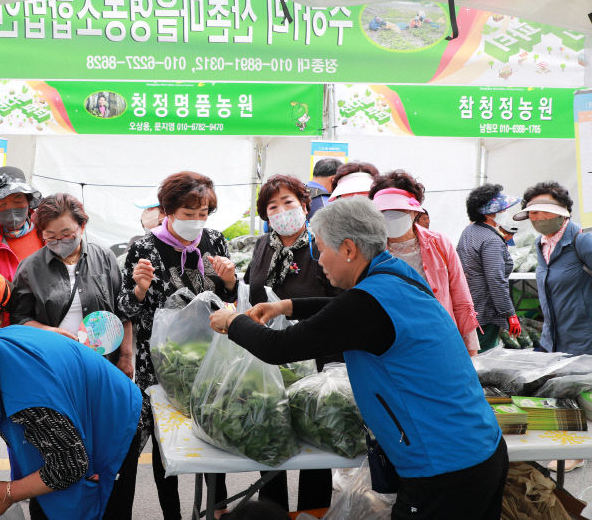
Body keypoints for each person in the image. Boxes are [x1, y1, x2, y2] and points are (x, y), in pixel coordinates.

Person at [209, 197, 508, 520]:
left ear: (349, 249)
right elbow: (343, 309)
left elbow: (279, 348)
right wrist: (286, 306)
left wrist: (233, 321)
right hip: (478, 449)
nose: (319, 260)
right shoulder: (397, 276)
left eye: (320, 249)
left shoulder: (369, 302)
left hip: (443, 467)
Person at [0, 319, 141, 520]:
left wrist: (9, 492)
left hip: (114, 421)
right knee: (48, 503)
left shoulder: (30, 398)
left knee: (103, 506)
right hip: (74, 410)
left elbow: (70, 465)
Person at [8, 192, 139, 516]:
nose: (59, 242)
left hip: (100, 369)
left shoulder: (104, 257)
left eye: (66, 235)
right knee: (60, 452)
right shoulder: (30, 267)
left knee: (104, 450)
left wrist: (126, 356)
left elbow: (122, 309)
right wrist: (49, 331)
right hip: (53, 375)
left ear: (83, 226)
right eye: (50, 237)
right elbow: (18, 319)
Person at [118, 171, 237, 519]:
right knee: (164, 440)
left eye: (203, 213)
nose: (197, 221)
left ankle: (219, 509)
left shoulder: (214, 240)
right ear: (168, 209)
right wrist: (139, 289)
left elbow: (227, 300)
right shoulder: (144, 246)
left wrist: (230, 281)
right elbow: (126, 308)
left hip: (209, 355)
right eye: (189, 213)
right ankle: (172, 512)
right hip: (159, 361)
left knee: (213, 430)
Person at [243, 174, 338, 511]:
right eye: (273, 206)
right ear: (265, 214)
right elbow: (249, 291)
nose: (282, 210)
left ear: (303, 206)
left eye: (289, 203)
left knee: (315, 440)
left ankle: (314, 512)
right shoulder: (262, 246)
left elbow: (337, 302)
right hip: (269, 359)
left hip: (316, 359)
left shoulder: (322, 244)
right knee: (269, 434)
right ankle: (274, 512)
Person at [369, 172, 480, 355]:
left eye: (399, 211)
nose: (391, 217)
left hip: (439, 339)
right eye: (384, 212)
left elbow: (461, 298)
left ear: (415, 211)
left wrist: (470, 349)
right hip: (391, 345)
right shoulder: (369, 249)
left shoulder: (439, 243)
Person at [513, 182, 592, 356]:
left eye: (547, 211)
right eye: (534, 213)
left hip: (584, 343)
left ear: (563, 212)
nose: (540, 218)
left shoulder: (583, 240)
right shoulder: (540, 244)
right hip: (552, 343)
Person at [457, 184, 522, 352]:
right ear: (489, 213)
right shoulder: (491, 240)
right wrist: (510, 313)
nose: (504, 213)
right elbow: (496, 280)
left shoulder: (469, 231)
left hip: (470, 308)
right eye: (502, 210)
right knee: (484, 361)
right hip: (485, 311)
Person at [0, 166, 44, 283]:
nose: (11, 209)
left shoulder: (46, 233)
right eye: (2, 205)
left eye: (18, 201)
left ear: (28, 202)